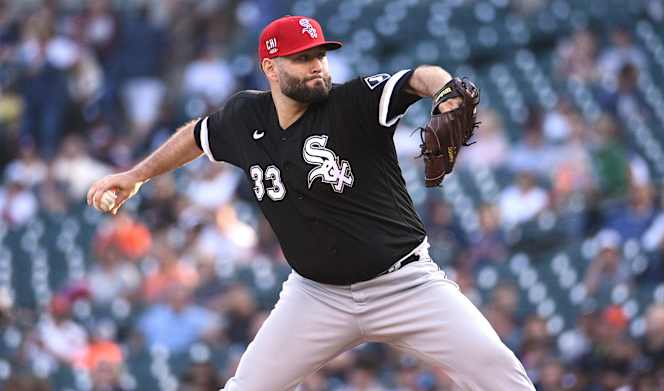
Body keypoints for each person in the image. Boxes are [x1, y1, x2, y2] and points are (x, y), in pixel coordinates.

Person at [87, 15, 534, 391]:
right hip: (316, 296)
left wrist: (446, 95)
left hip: (405, 285)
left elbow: (420, 77)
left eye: (320, 55)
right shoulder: (245, 117)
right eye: (302, 58)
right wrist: (136, 175)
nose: (317, 66)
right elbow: (197, 135)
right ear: (270, 67)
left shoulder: (352, 102)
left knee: (501, 375)